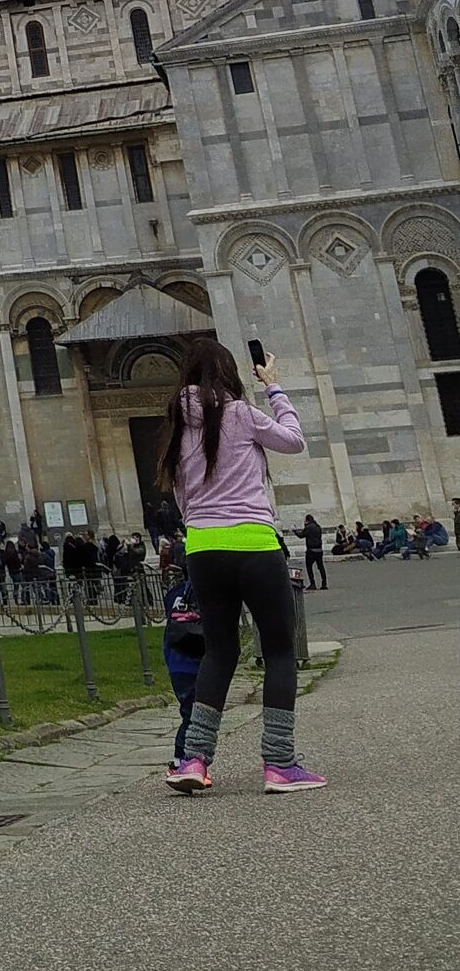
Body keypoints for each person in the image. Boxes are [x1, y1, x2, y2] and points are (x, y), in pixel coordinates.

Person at [160, 337, 323, 794]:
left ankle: (194, 759)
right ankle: (280, 763)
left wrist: (203, 526)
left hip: (203, 546)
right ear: (229, 373)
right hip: (253, 542)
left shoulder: (177, 425)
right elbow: (293, 440)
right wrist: (274, 387)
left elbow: (181, 496)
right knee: (279, 650)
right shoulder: (242, 414)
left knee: (219, 650)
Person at [159, 557, 205, 762]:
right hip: (195, 661)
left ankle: (188, 758)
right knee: (193, 716)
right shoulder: (205, 592)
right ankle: (181, 759)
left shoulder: (174, 595)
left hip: (176, 661)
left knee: (190, 713)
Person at [300, 512, 326, 592]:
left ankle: (312, 583)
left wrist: (295, 532)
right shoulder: (318, 526)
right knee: (321, 567)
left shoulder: (308, 527)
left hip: (311, 550)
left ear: (307, 520)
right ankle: (324, 583)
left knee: (309, 567)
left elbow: (301, 535)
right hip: (319, 549)